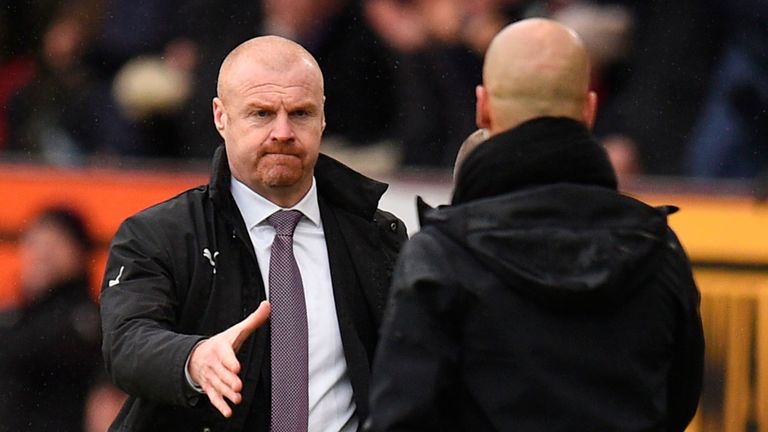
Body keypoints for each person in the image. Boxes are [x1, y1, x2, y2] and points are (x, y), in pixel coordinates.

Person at [368, 18, 704, 431]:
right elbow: (678, 403)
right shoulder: (657, 249)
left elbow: (401, 420)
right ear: (589, 109)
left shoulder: (442, 256)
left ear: (483, 107)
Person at [100, 35, 407, 432]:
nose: (282, 131)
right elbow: (126, 343)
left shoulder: (378, 237)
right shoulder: (157, 235)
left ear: (323, 118)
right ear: (220, 117)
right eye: (261, 113)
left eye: (300, 113)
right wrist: (192, 359)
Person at [0, 207, 102, 432]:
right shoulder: (16, 316)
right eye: (35, 243)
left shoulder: (87, 321)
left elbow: (106, 400)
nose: (41, 255)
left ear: (79, 251)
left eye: (53, 245)